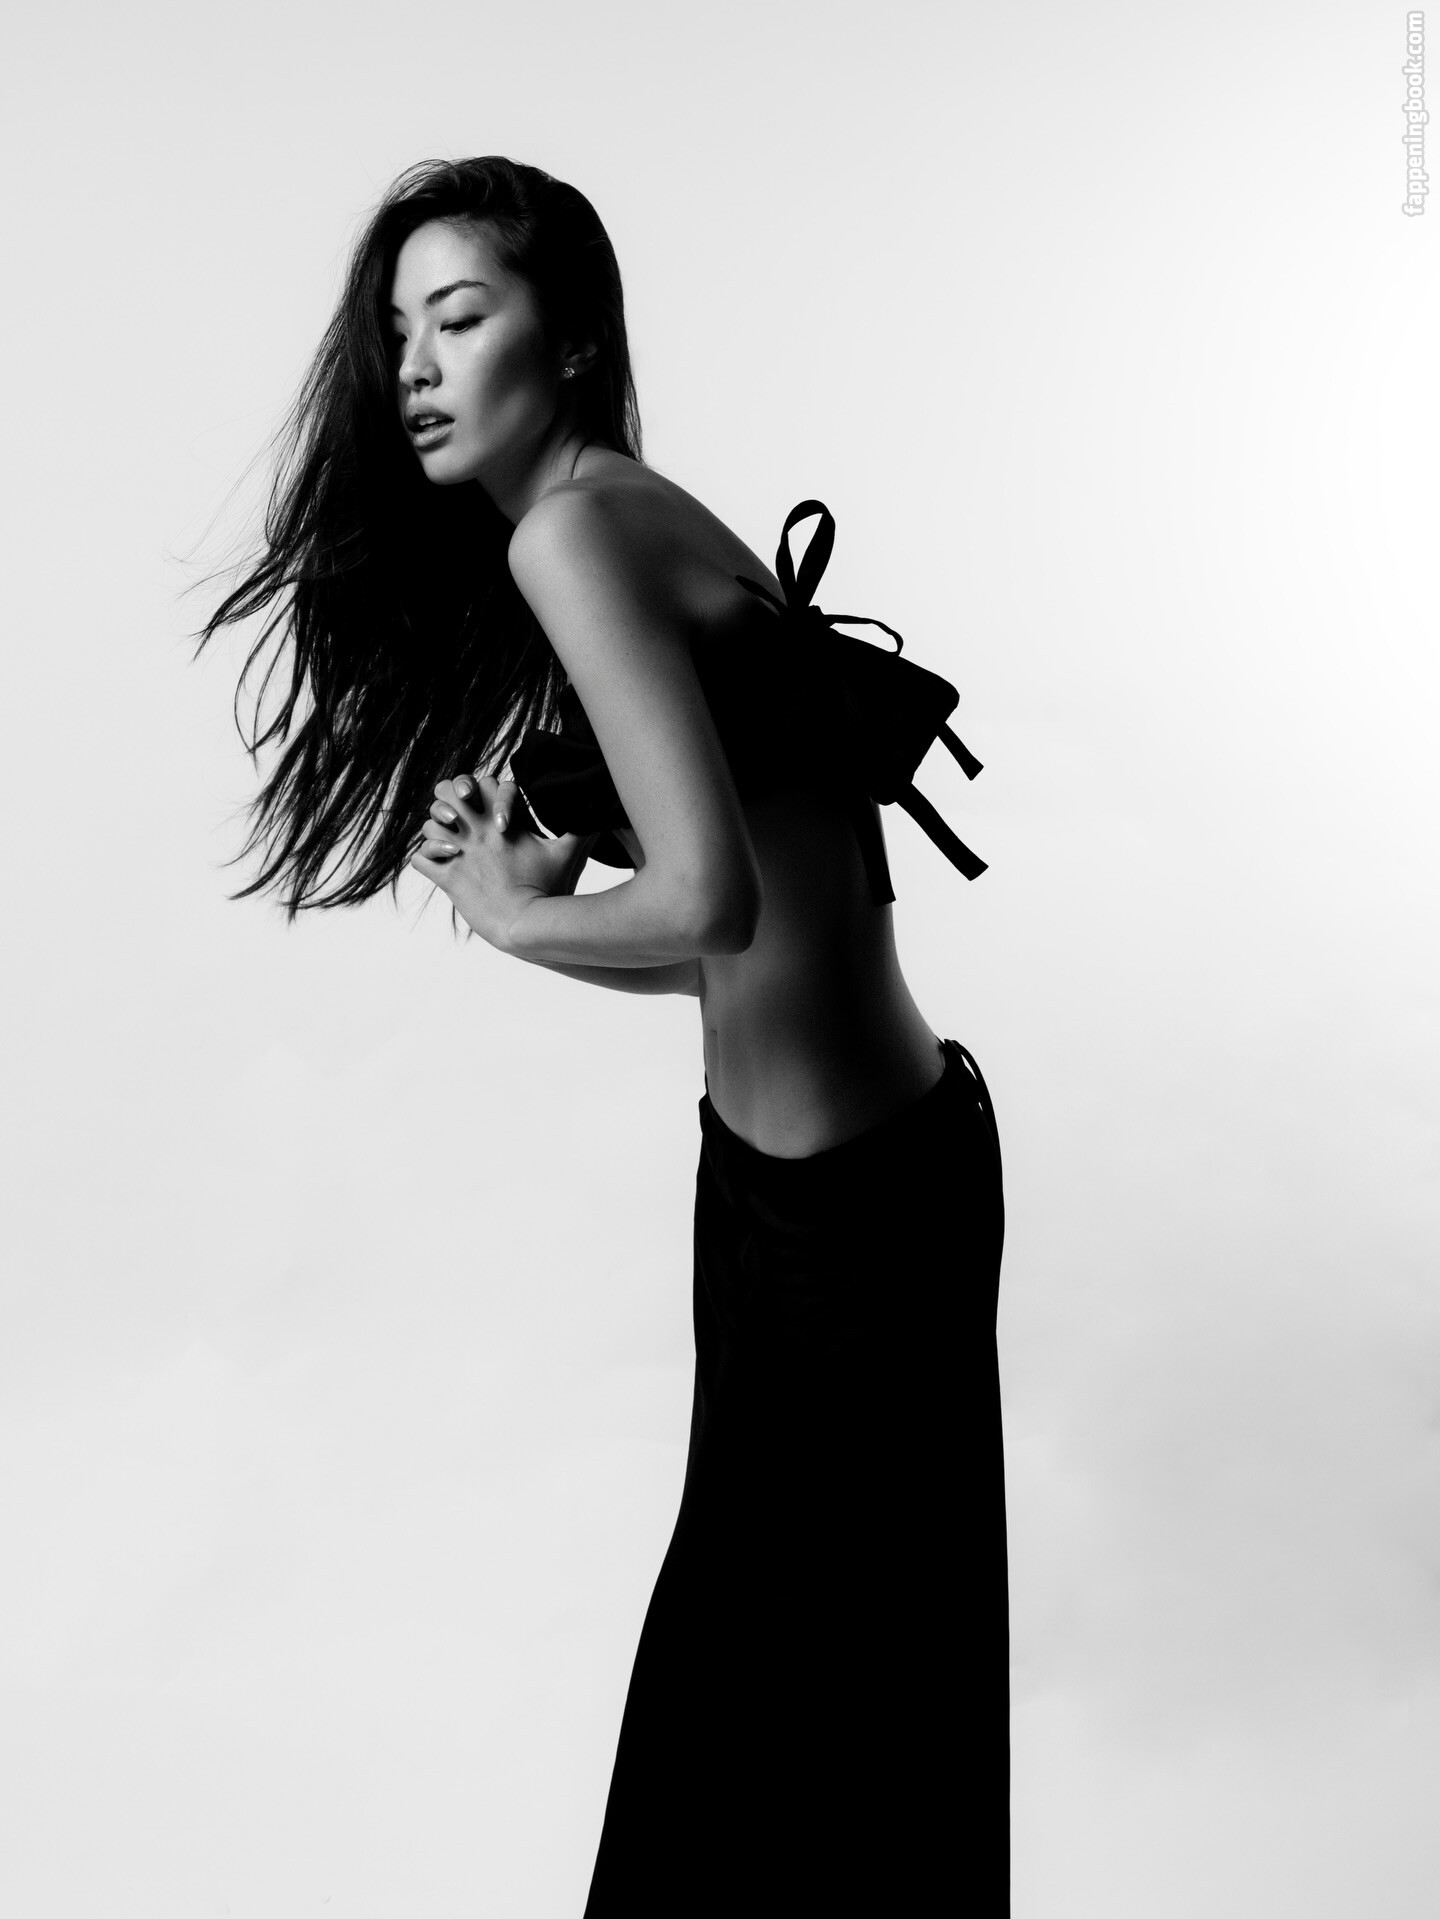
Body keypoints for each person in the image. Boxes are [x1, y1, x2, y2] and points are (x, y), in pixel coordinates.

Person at [201, 155, 1008, 1916]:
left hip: (854, 1228)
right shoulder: (614, 517)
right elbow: (742, 946)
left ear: (568, 341)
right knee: (805, 1736)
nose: (416, 366)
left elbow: (708, 903)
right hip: (824, 1188)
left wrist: (518, 917)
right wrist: (559, 924)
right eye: (394, 333)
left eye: (460, 317)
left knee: (792, 1749)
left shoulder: (571, 532)